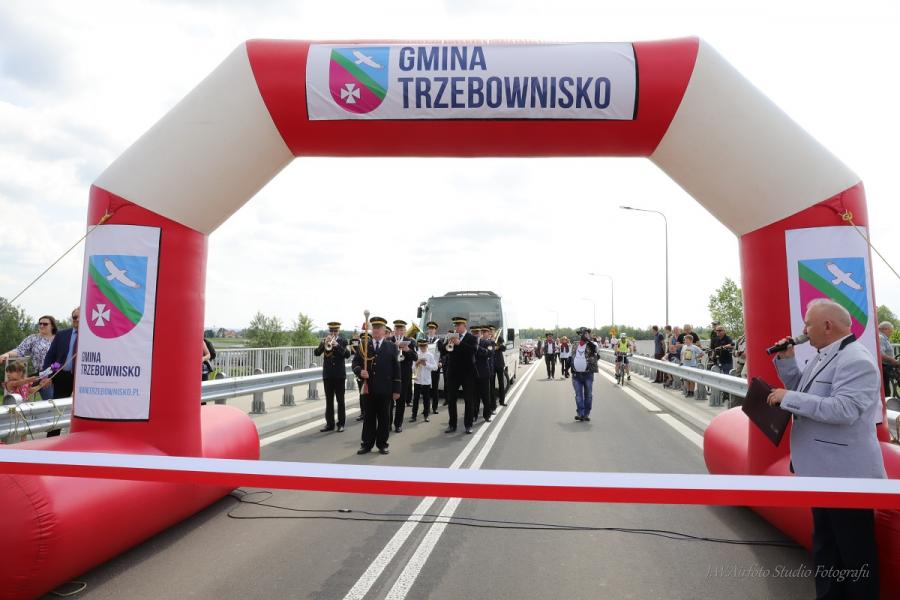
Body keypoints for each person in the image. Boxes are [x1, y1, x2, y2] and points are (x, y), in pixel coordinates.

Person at [768, 299, 885, 599]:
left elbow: (844, 409)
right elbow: (805, 391)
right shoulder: (825, 355)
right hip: (823, 471)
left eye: (808, 324)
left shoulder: (856, 360)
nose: (804, 330)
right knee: (826, 546)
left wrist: (787, 398)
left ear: (828, 326)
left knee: (854, 553)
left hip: (846, 476)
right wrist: (787, 361)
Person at [352, 317, 400, 455]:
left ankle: (382, 444)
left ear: (384, 331)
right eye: (374, 328)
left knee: (384, 418)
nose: (376, 330)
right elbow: (355, 363)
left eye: (379, 328)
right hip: (369, 388)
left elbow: (396, 369)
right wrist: (360, 371)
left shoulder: (391, 347)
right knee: (369, 418)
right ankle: (366, 444)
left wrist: (396, 389)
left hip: (385, 389)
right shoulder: (364, 345)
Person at [1, 315, 57, 400]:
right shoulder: (33, 338)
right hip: (42, 375)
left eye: (45, 324)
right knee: (50, 401)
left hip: (59, 373)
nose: (42, 326)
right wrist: (7, 354)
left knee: (64, 401)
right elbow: (19, 350)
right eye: (40, 323)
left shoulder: (59, 338)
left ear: (52, 326)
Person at [443, 316, 478, 434]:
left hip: (467, 373)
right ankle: (452, 425)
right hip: (453, 373)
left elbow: (473, 350)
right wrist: (448, 342)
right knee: (451, 400)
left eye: (458, 325)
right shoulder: (451, 337)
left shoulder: (471, 338)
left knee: (468, 400)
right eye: (455, 325)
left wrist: (460, 343)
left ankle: (468, 425)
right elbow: (443, 351)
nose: (456, 327)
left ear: (464, 326)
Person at [315, 321, 352, 432]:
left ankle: (341, 424)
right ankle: (329, 424)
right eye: (331, 330)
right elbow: (316, 353)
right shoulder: (325, 341)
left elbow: (347, 355)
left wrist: (337, 345)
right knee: (329, 401)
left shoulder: (343, 341)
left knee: (340, 401)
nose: (333, 333)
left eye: (335, 331)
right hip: (328, 375)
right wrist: (323, 344)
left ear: (338, 331)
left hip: (339, 375)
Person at [42, 307, 79, 400]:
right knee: (59, 404)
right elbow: (50, 356)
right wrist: (46, 376)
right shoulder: (61, 334)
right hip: (62, 376)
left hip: (81, 378)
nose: (77, 319)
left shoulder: (91, 337)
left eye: (81, 317)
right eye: (75, 317)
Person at [391, 320, 417, 432]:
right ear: (394, 330)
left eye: (402, 330)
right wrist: (394, 347)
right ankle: (388, 423)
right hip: (391, 376)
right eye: (397, 329)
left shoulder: (409, 341)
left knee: (401, 402)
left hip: (404, 376)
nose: (399, 332)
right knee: (389, 402)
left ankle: (398, 424)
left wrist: (407, 350)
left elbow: (415, 357)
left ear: (405, 331)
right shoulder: (389, 341)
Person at [571, 327, 599, 421]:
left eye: (587, 333)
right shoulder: (575, 344)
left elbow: (597, 353)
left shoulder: (593, 344)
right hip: (576, 375)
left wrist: (591, 345)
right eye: (584, 333)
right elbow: (572, 356)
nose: (586, 335)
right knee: (578, 395)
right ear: (580, 335)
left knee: (588, 395)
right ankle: (580, 414)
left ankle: (586, 414)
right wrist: (567, 367)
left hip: (588, 374)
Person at [410, 339, 437, 422]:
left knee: (426, 399)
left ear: (427, 346)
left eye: (424, 346)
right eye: (421, 346)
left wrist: (426, 364)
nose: (422, 347)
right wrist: (417, 363)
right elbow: (412, 368)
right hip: (417, 379)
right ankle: (414, 416)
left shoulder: (430, 355)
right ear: (419, 346)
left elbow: (435, 367)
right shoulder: (416, 354)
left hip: (426, 380)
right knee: (416, 399)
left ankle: (426, 415)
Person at [474, 326, 494, 422]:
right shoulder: (470, 342)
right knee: (475, 396)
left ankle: (487, 415)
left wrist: (478, 348)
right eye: (474, 333)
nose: (475, 334)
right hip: (474, 373)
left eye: (477, 333)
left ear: (480, 334)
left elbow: (490, 353)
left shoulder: (487, 343)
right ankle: (474, 414)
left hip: (484, 372)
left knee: (486, 396)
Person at [424, 321, 443, 414]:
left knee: (435, 388)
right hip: (425, 367)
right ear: (428, 330)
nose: (431, 330)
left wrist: (440, 362)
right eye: (430, 329)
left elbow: (443, 353)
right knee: (426, 388)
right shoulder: (423, 341)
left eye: (433, 329)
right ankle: (426, 408)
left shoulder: (439, 341)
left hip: (435, 367)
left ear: (435, 330)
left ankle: (435, 407)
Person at [878, 321, 899, 398]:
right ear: (885, 329)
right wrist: (895, 361)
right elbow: (881, 355)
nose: (891, 333)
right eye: (890, 331)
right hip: (884, 367)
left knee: (886, 388)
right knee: (886, 389)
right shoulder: (881, 338)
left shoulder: (882, 338)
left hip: (885, 366)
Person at [490, 325, 507, 407]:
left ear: (494, 331)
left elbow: (504, 348)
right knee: (492, 385)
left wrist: (498, 346)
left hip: (499, 363)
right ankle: (493, 404)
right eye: (490, 331)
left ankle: (502, 401)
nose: (491, 332)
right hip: (491, 364)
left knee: (501, 383)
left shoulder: (499, 338)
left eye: (492, 330)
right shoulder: (488, 339)